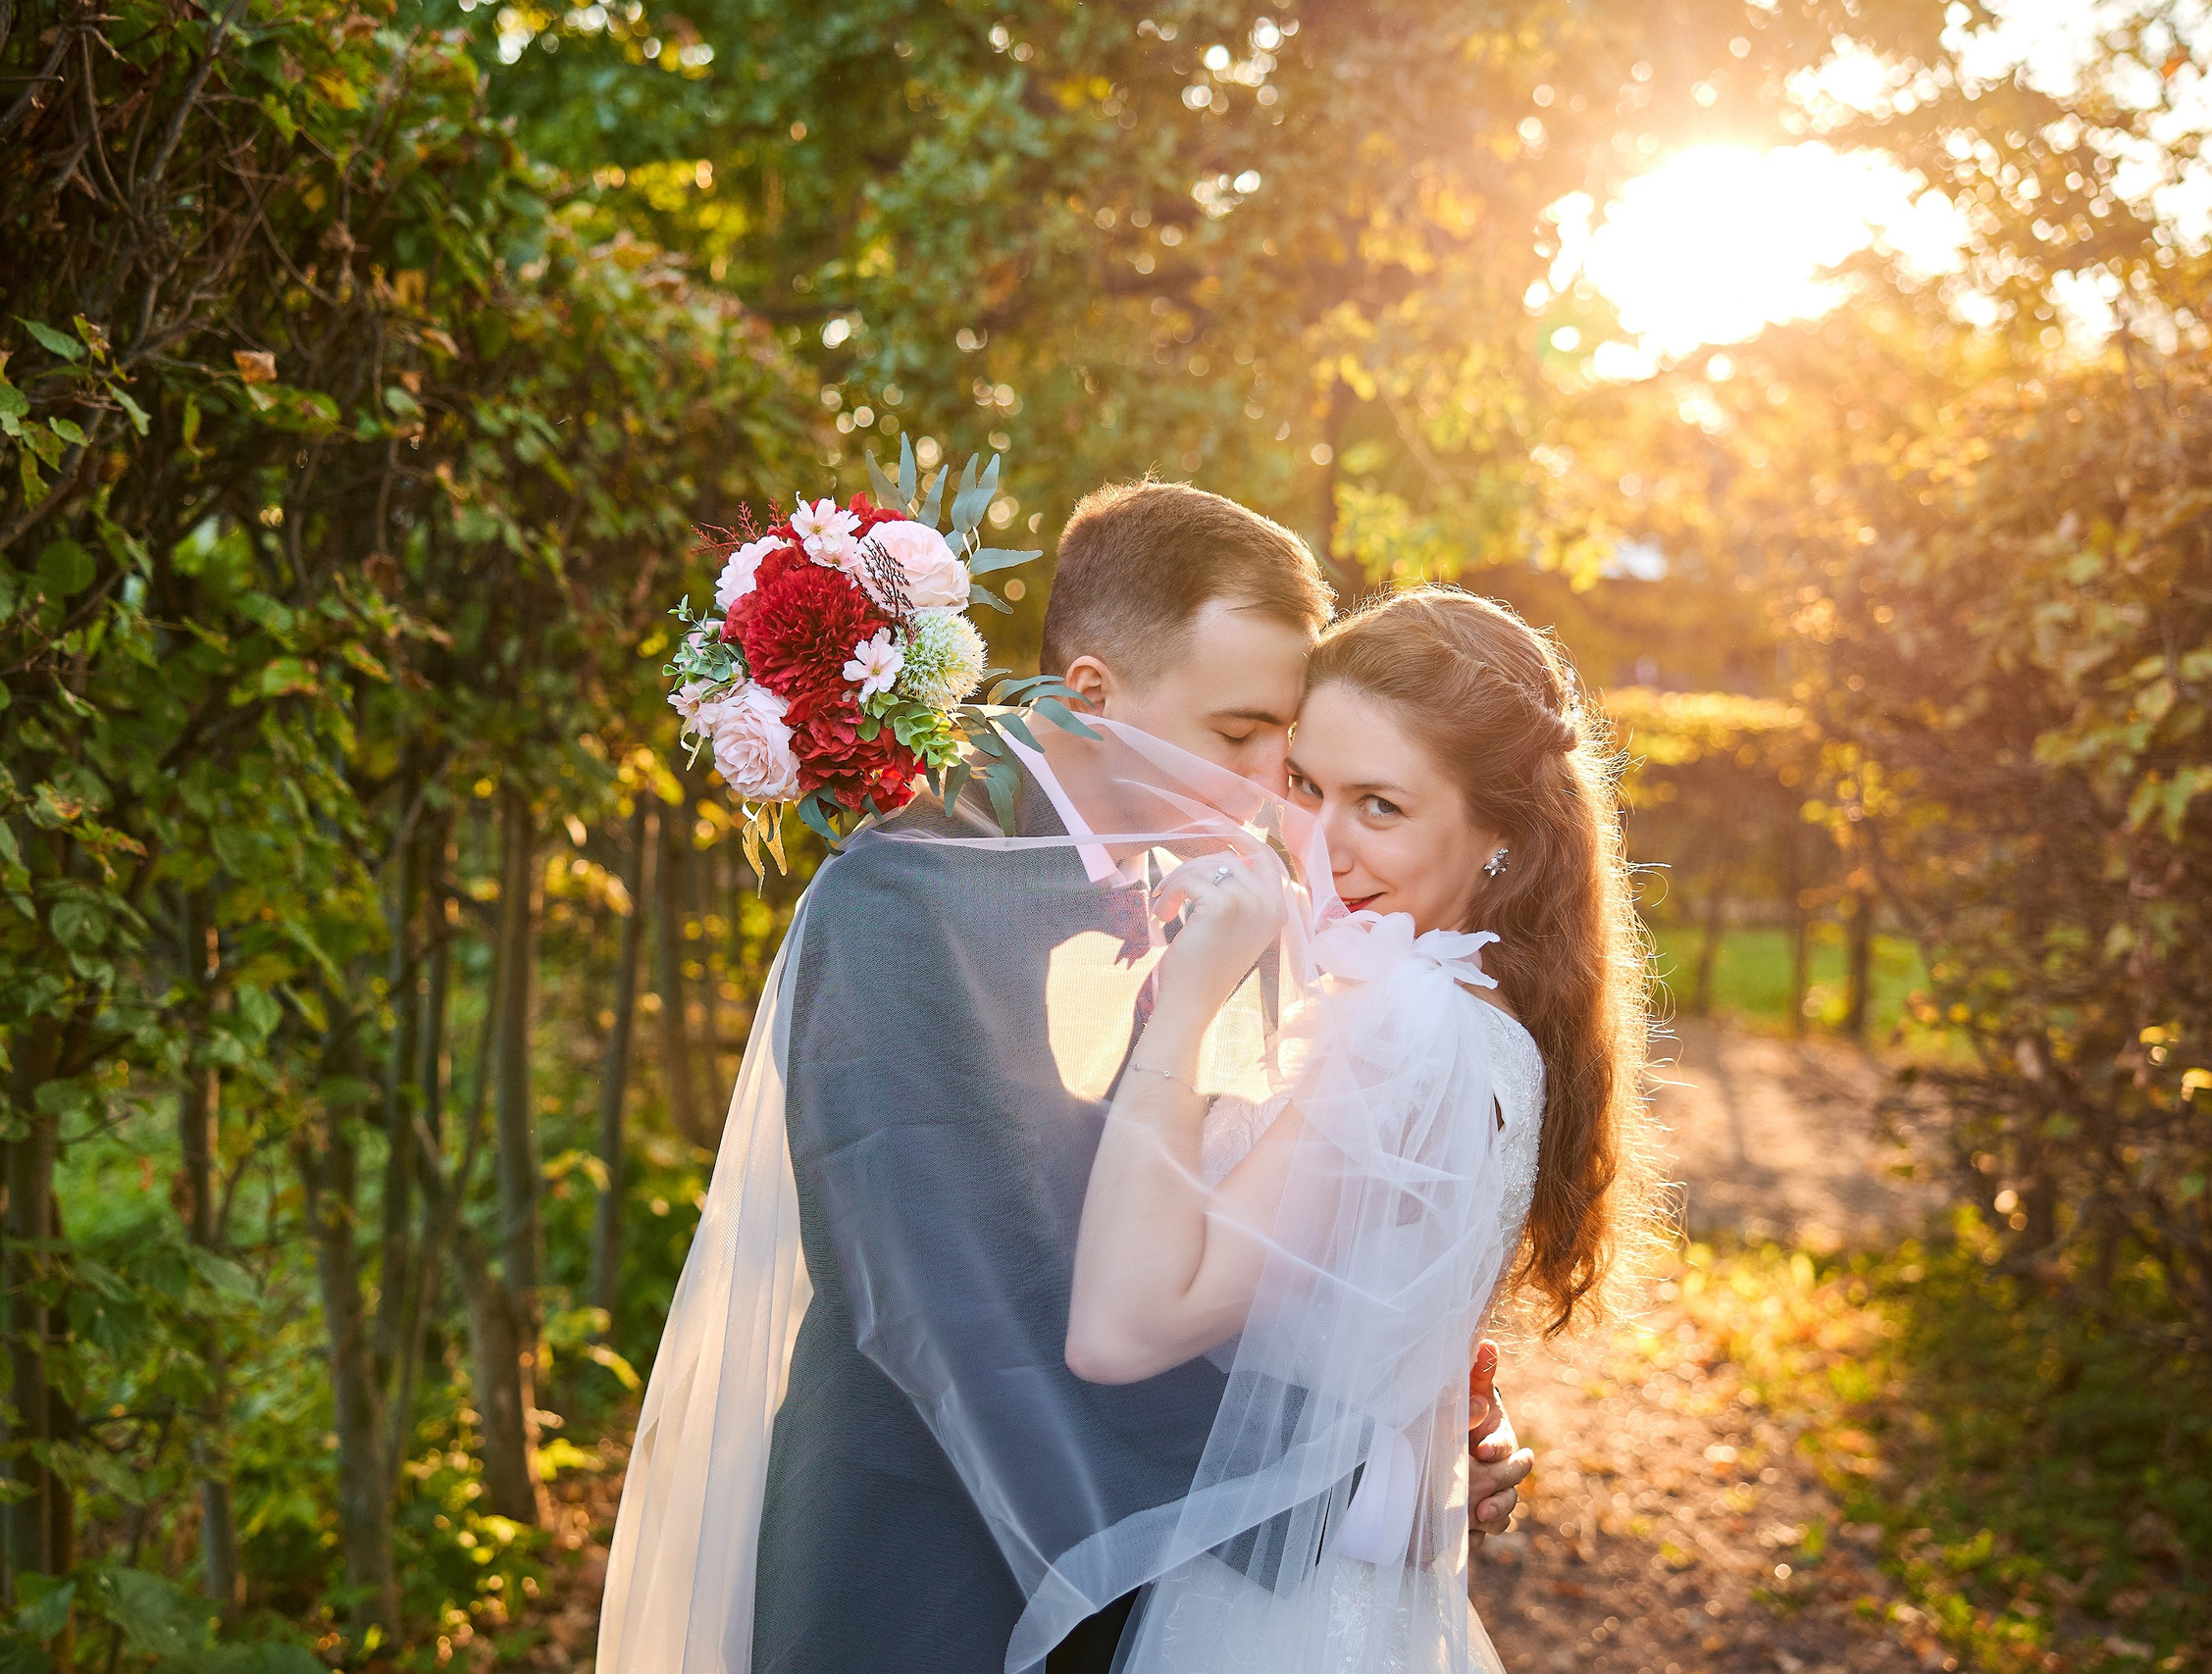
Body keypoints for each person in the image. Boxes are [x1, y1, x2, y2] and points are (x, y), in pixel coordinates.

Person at [595, 486, 1538, 1674]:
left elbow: (1273, 1222)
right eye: (1237, 734)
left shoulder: (1227, 895)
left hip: (1148, 1591)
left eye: (1285, 750)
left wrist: (1405, 1394)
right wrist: (1353, 1487)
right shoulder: (899, 900)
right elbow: (971, 1297)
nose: (1268, 791)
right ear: (1090, 696)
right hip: (917, 1573)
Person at [1055, 584, 1653, 1669]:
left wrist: (1187, 1003)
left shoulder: (1406, 1022)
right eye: (1302, 786)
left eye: (1379, 806)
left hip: (1263, 1617)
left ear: (1499, 837)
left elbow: (1118, 1333)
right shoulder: (1480, 1013)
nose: (1318, 849)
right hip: (1338, 1587)